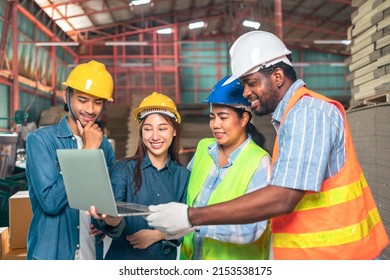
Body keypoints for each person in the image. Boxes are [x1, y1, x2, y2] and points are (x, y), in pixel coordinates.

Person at [146, 31, 390, 259]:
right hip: (316, 257)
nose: (246, 92)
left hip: (338, 258)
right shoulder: (290, 118)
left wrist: (191, 217)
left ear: (277, 76)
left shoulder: (308, 113)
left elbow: (283, 197)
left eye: (251, 82)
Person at [26, 60, 116, 260]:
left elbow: (107, 202)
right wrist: (87, 152)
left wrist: (104, 224)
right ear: (67, 96)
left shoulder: (105, 146)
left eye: (98, 102)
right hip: (53, 257)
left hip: (91, 254)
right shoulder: (40, 141)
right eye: (82, 100)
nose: (90, 109)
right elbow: (50, 202)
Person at [90, 92, 190, 260]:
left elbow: (189, 222)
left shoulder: (183, 176)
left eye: (162, 128)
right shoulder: (123, 169)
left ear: (174, 131)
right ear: (141, 132)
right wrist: (112, 221)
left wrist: (159, 235)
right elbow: (108, 219)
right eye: (148, 129)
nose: (155, 136)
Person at [180, 76, 271, 260]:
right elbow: (183, 195)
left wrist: (193, 222)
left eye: (223, 117)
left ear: (244, 118)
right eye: (212, 117)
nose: (215, 125)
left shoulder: (259, 162)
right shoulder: (203, 149)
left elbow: (251, 229)